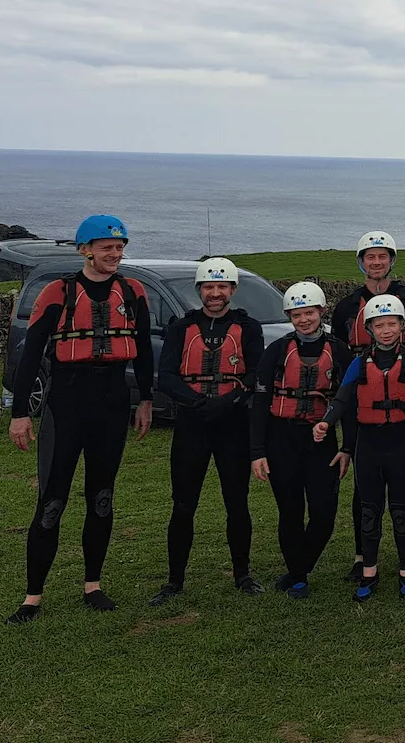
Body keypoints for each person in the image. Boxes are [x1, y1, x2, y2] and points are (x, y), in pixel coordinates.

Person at [5, 215, 153, 624]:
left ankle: (93, 585)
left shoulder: (133, 291)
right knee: (52, 502)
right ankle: (33, 596)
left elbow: (142, 348)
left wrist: (145, 401)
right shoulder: (58, 292)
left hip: (112, 403)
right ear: (85, 249)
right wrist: (20, 414)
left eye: (120, 247)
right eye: (107, 248)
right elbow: (30, 354)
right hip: (66, 405)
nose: (116, 254)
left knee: (102, 498)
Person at [150, 257, 267, 605]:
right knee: (183, 504)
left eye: (222, 287)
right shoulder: (181, 328)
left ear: (232, 289)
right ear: (199, 289)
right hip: (192, 424)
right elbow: (167, 375)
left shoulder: (248, 328)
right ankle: (174, 581)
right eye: (208, 287)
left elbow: (256, 372)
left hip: (232, 424)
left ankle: (242, 574)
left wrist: (229, 401)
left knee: (237, 502)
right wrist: (195, 401)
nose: (215, 293)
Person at [311, 295, 405, 602]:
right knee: (369, 511)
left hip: (403, 443)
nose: (386, 330)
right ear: (370, 328)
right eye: (379, 325)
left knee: (401, 511)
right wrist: (326, 422)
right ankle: (369, 571)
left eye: (392, 323)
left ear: (402, 326)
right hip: (369, 444)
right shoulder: (358, 363)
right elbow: (342, 398)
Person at [330, 231, 405, 581]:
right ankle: (363, 557)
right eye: (369, 257)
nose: (376, 262)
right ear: (361, 262)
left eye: (382, 256)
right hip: (362, 400)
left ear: (391, 260)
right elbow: (338, 355)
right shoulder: (346, 307)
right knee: (365, 489)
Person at [249, 282, 352, 599]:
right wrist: (257, 451)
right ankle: (298, 579)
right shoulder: (277, 351)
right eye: (296, 314)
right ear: (289, 316)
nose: (304, 319)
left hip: (321, 441)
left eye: (309, 313)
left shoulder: (338, 351)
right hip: (283, 439)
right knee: (290, 512)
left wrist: (348, 447)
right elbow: (259, 405)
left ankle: (299, 567)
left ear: (321, 312)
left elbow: (348, 403)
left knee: (324, 512)